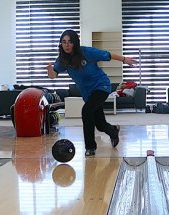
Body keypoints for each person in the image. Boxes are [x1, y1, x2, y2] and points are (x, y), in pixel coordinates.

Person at [47, 29, 137, 157]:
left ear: (75, 43)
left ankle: (90, 147)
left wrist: (124, 60)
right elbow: (53, 75)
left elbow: (108, 55)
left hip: (101, 86)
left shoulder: (86, 52)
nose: (66, 45)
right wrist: (50, 70)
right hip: (88, 93)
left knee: (86, 111)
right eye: (64, 42)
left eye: (69, 42)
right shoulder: (62, 60)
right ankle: (113, 131)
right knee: (100, 124)